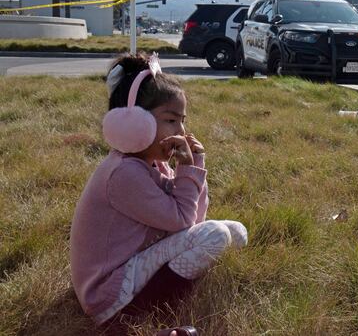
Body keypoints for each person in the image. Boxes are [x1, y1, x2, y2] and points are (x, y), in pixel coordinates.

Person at [70, 53, 248, 326]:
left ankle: (161, 296)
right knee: (215, 235)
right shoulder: (124, 173)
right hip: (107, 295)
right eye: (171, 120)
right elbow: (182, 222)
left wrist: (196, 166)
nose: (182, 131)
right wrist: (187, 170)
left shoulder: (154, 165)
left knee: (236, 232)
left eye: (182, 120)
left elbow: (193, 220)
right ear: (135, 123)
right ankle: (144, 313)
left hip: (132, 269)